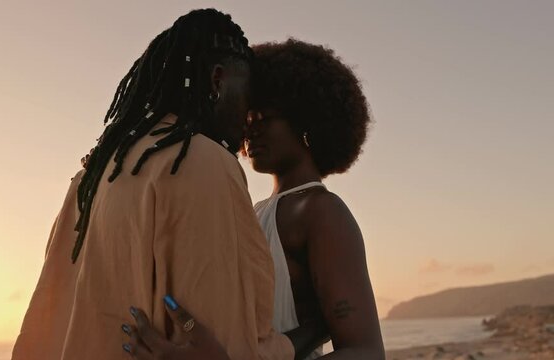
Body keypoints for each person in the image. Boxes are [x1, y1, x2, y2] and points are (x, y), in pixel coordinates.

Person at [12, 9, 298, 360]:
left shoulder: (91, 175)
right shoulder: (204, 164)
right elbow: (229, 342)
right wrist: (301, 337)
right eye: (247, 99)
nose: (247, 121)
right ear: (218, 81)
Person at [123, 39, 385, 360]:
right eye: (248, 118)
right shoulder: (253, 208)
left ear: (306, 121)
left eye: (264, 117)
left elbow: (366, 351)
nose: (251, 130)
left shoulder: (321, 212)